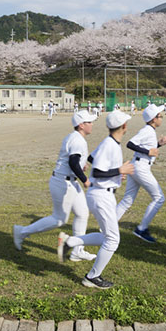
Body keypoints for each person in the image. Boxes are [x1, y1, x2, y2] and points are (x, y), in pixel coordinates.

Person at [57, 110, 135, 289]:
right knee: (113, 240)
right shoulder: (110, 144)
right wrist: (119, 171)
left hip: (103, 193)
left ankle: (71, 242)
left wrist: (115, 176)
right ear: (123, 127)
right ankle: (92, 277)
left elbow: (92, 158)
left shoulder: (109, 143)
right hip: (101, 195)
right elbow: (99, 172)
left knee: (106, 237)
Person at [12, 111, 98, 262]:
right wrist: (85, 179)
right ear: (81, 125)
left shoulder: (75, 138)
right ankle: (22, 232)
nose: (92, 124)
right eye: (89, 122)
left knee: (83, 213)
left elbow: (73, 161)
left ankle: (77, 251)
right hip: (62, 182)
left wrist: (80, 168)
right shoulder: (77, 140)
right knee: (59, 219)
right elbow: (72, 161)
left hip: (69, 181)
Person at [115, 104, 166, 243]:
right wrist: (148, 152)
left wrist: (158, 145)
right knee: (159, 198)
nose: (161, 118)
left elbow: (145, 147)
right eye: (160, 116)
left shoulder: (150, 131)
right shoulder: (147, 130)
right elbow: (130, 144)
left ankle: (107, 227)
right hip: (140, 167)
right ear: (153, 119)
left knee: (127, 199)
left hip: (137, 165)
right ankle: (141, 229)